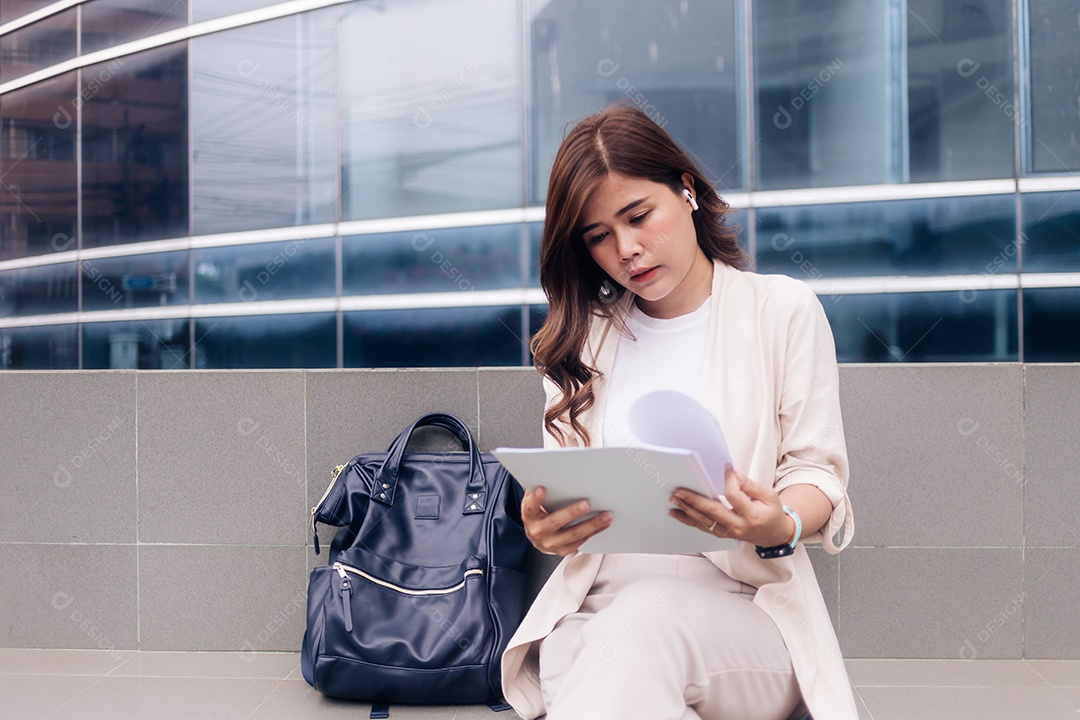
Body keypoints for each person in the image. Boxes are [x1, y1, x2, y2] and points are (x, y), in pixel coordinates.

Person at [500, 103, 857, 720]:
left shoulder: (781, 311)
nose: (627, 250)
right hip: (594, 613)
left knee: (645, 626)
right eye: (598, 236)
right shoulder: (582, 342)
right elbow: (567, 489)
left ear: (687, 191)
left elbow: (816, 471)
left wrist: (779, 524)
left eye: (638, 216)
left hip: (744, 612)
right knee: (614, 657)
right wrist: (546, 528)